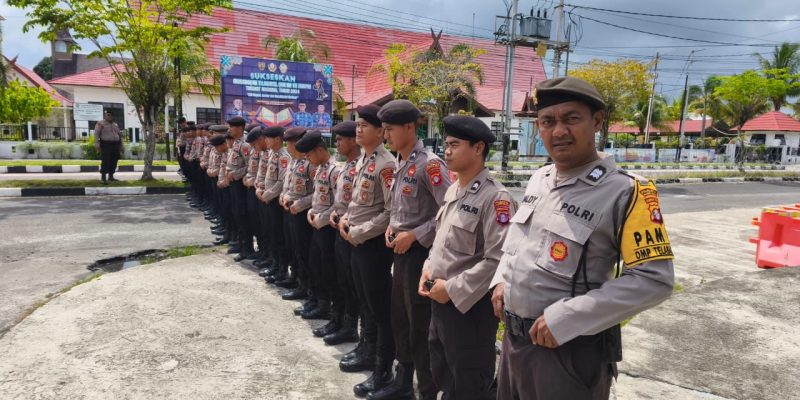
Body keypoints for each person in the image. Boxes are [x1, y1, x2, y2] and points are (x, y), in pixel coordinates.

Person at [490, 76, 675, 400]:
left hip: (568, 355)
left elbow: (653, 280)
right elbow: (518, 243)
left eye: (571, 119)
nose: (558, 131)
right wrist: (501, 281)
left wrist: (568, 318)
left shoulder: (628, 191)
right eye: (547, 121)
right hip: (513, 345)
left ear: (597, 122)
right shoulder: (539, 179)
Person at [418, 115, 514, 400]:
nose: (447, 151)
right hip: (439, 299)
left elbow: (498, 260)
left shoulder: (496, 198)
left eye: (455, 145)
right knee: (443, 371)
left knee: (469, 380)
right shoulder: (453, 189)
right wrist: (427, 268)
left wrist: (452, 288)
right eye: (446, 144)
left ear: (478, 148)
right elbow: (441, 240)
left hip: (469, 308)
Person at [369, 99, 451, 400]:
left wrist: (414, 235)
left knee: (420, 327)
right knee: (400, 320)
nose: (385, 135)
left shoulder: (430, 165)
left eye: (389, 129)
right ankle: (403, 382)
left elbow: (447, 213)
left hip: (420, 255)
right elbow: (399, 208)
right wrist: (393, 226)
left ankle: (426, 391)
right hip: (400, 254)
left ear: (409, 127)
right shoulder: (400, 163)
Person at [338, 104, 396, 397]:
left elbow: (390, 212)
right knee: (363, 300)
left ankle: (383, 368)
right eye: (357, 124)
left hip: (372, 246)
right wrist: (347, 218)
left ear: (380, 131)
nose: (358, 129)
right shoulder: (364, 160)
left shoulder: (387, 164)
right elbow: (357, 203)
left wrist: (359, 232)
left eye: (364, 125)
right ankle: (366, 348)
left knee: (379, 308)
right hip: (355, 243)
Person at [296, 129, 340, 323]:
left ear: (320, 150)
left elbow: (339, 204)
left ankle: (327, 306)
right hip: (317, 225)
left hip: (328, 228)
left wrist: (321, 217)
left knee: (327, 269)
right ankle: (318, 301)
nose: (307, 158)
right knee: (315, 264)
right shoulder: (321, 168)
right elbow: (317, 198)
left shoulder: (334, 170)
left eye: (309, 153)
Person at [325, 121, 362, 347]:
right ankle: (341, 321)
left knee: (352, 284)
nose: (337, 144)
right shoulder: (346, 167)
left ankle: (351, 327)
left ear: (352, 140)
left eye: (340, 139)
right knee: (341, 280)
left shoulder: (360, 167)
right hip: (339, 227)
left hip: (354, 232)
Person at [279, 127, 316, 308]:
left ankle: (308, 288)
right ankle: (298, 281)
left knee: (305, 253)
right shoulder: (294, 162)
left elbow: (317, 194)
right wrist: (284, 196)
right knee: (294, 249)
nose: (289, 147)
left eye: (292, 143)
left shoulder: (311, 164)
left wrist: (299, 204)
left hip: (303, 215)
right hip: (290, 211)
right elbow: (288, 186)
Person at [258, 126, 292, 285]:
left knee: (279, 237)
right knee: (270, 233)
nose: (265, 141)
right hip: (267, 199)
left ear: (277, 139)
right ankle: (275, 264)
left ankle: (282, 269)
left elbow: (280, 182)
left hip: (275, 202)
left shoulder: (284, 156)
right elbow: (266, 176)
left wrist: (267, 194)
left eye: (268, 138)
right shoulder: (271, 154)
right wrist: (260, 189)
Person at [225, 116, 255, 261]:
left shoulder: (245, 145)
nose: (229, 129)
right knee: (236, 213)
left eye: (232, 127)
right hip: (233, 183)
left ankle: (247, 248)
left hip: (240, 184)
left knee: (243, 216)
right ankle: (240, 243)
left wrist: (235, 174)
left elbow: (249, 166)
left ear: (240, 128)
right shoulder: (236, 143)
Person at [244, 124, 268, 263]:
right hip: (257, 191)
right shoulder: (261, 153)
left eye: (254, 143)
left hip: (265, 195)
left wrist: (253, 182)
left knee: (266, 228)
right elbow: (257, 173)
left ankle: (268, 255)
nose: (253, 147)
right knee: (258, 224)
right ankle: (263, 251)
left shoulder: (271, 155)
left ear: (261, 139)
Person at [94, 111, 122, 183]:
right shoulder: (100, 124)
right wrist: (97, 143)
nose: (110, 116)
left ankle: (111, 176)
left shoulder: (115, 124)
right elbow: (96, 134)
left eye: (111, 115)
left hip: (115, 144)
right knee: (105, 160)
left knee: (114, 160)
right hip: (106, 144)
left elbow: (119, 134)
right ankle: (103, 178)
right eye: (108, 115)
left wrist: (121, 144)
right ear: (105, 115)